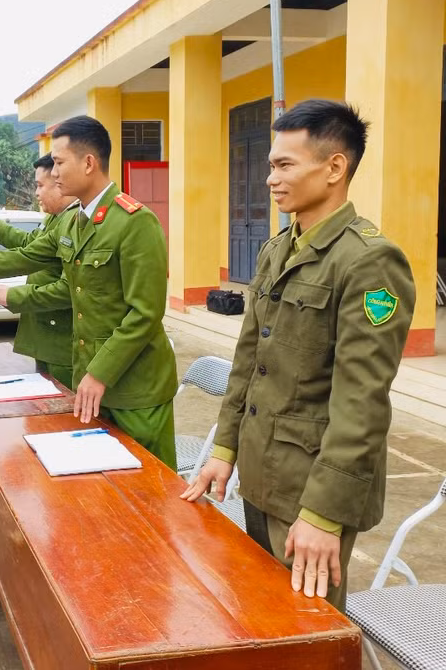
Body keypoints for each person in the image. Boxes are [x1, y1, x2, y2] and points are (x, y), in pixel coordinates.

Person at [182, 99, 415, 612]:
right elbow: (249, 361)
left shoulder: (368, 261)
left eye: (285, 165)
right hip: (262, 470)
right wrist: (224, 450)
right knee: (257, 611)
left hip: (312, 487)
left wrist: (325, 514)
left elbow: (362, 402)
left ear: (335, 167)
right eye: (271, 165)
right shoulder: (277, 249)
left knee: (308, 629)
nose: (270, 178)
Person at [0, 115, 178, 467]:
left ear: (88, 163)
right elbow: (25, 255)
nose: (53, 174)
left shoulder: (134, 222)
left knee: (152, 491)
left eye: (58, 162)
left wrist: (100, 372)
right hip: (90, 381)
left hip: (135, 389)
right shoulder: (72, 221)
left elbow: (145, 314)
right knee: (101, 488)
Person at [0, 153, 79, 388]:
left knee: (63, 406)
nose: (36, 193)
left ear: (60, 184)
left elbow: (68, 289)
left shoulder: (74, 220)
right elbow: (29, 244)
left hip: (63, 338)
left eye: (39, 185)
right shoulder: (55, 219)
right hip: (46, 332)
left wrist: (13, 296)